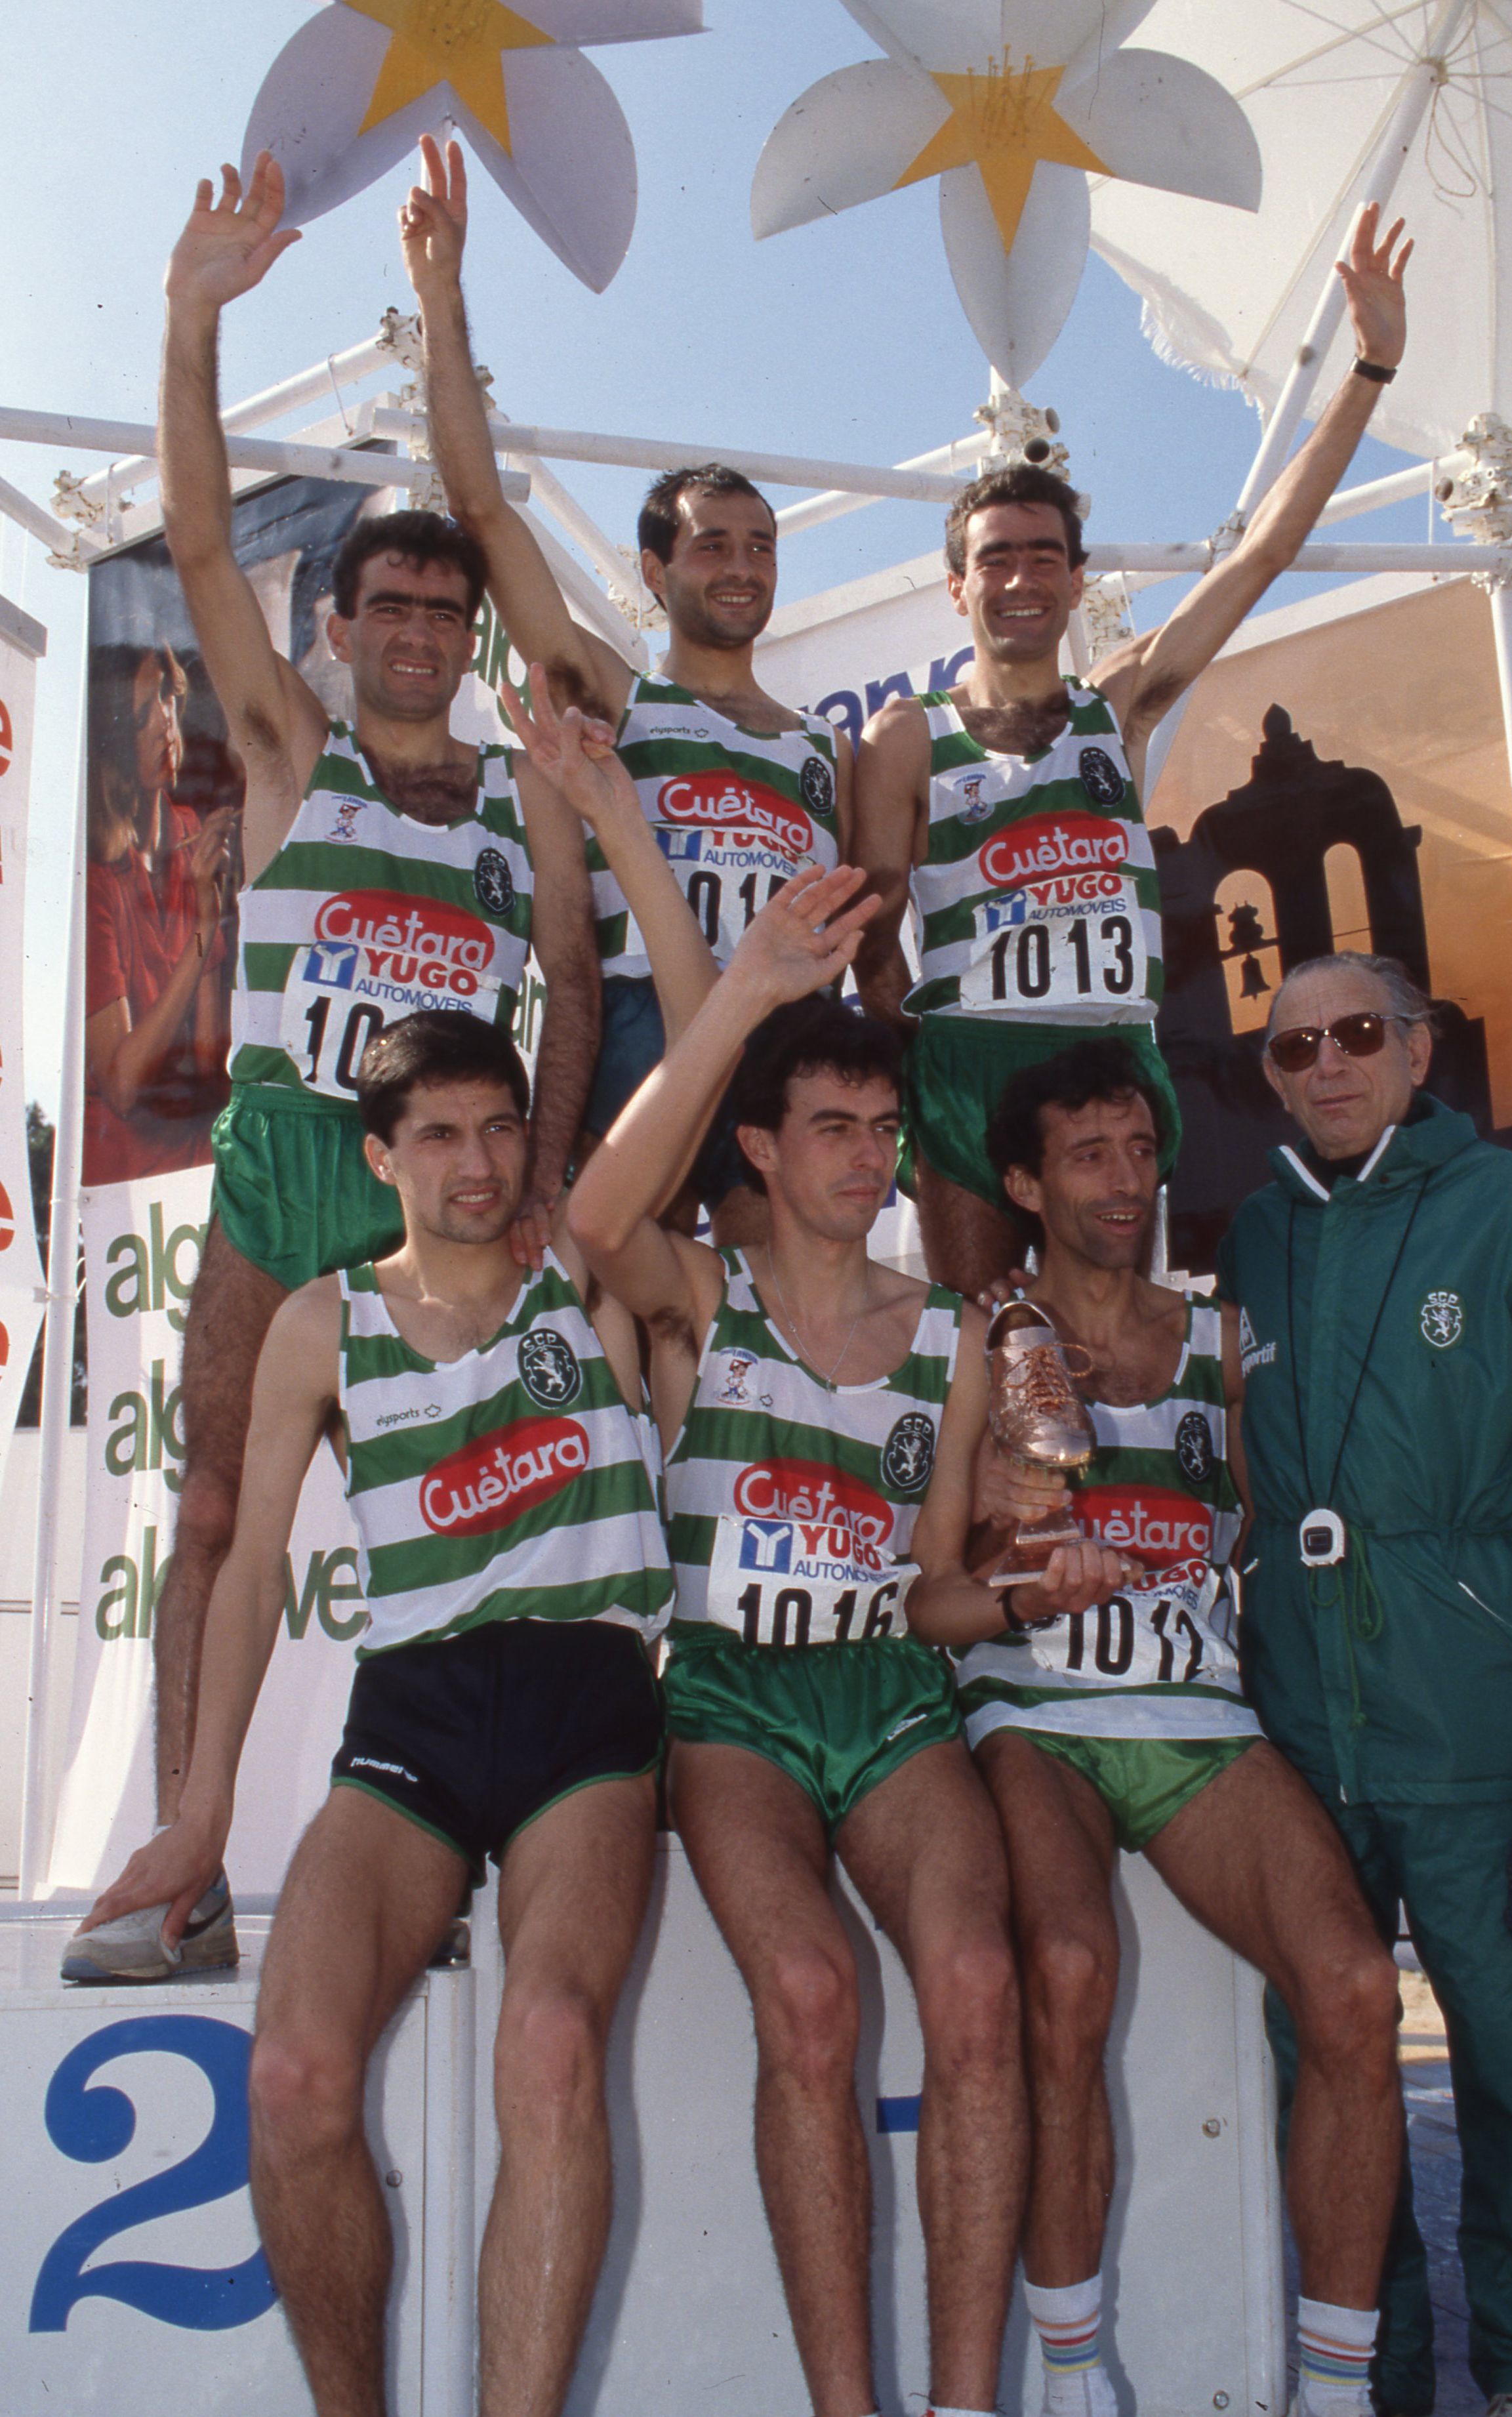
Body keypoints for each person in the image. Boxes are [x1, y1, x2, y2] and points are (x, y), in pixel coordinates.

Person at [550, 699, 1132, 2417]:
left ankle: (965, 2398)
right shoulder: (698, 1295)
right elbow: (586, 1223)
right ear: (762, 1144)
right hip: (730, 1698)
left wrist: (1023, 1590)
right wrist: (734, 986)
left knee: (972, 1979)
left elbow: (938, 1586)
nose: (869, 1157)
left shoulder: (953, 1330)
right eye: (831, 1128)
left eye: (883, 1134)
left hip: (884, 1690)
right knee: (809, 1991)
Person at [70, 155, 601, 1981]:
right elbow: (204, 541)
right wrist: (191, 315)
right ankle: (182, 1869)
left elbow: (578, 985)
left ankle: (449, 1856)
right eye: (389, 604)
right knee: (217, 1510)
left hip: (453, 1185)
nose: (419, 633)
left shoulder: (522, 793)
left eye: (446, 615)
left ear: (468, 639)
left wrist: (538, 1177)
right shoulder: (294, 747)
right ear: (342, 624)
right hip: (299, 1152)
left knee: (468, 1532)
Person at [69, 1008, 670, 2417]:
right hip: (415, 1708)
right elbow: (249, 1570)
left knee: (552, 2041)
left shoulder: (580, 1262)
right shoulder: (321, 1323)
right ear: (379, 1156)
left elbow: (681, 1058)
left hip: (586, 1706)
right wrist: (200, 1813)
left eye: (503, 1126)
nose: (481, 1163)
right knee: (290, 2076)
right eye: (444, 1136)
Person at [909, 1034, 1404, 2417]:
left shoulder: (1221, 1337)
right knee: (1066, 1967)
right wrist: (1017, 1596)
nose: (1127, 1182)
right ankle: (1076, 2372)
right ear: (1022, 1179)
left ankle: (1337, 2385)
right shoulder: (983, 1339)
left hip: (1196, 1715)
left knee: (1361, 1992)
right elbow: (929, 1594)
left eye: (1140, 1150)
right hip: (1038, 1715)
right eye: (1089, 1156)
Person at [851, 205, 1412, 1297]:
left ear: (1075, 578)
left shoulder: (1123, 701)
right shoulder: (908, 733)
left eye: (1043, 558)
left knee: (1106, 1346)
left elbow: (1260, 555)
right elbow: (871, 950)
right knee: (981, 1340)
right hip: (968, 1056)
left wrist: (1371, 368)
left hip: (1109, 1055)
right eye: (996, 560)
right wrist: (916, 1079)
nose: (1020, 580)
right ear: (957, 584)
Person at [1217, 952, 1512, 2417]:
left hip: (1482, 1712)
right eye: (1291, 1046)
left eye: (1358, 1034)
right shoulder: (1255, 1236)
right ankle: (1369, 2371)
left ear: (1419, 1048)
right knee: (1329, 2060)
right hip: (1305, 1724)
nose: (1325, 1064)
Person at [400, 133, 851, 1242]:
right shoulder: (619, 691)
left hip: (783, 1030)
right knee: (606, 1297)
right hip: (645, 1018)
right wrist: (442, 296)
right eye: (711, 546)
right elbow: (485, 512)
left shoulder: (819, 749)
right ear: (654, 572)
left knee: (768, 1317)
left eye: (759, 544)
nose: (740, 564)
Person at [84, 642, 232, 1184]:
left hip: (193, 1155)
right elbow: (123, 1086)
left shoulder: (191, 831)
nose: (166, 724)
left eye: (169, 699)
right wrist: (203, 933)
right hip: (121, 1178)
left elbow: (210, 1062)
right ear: (113, 737)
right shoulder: (97, 879)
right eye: (144, 715)